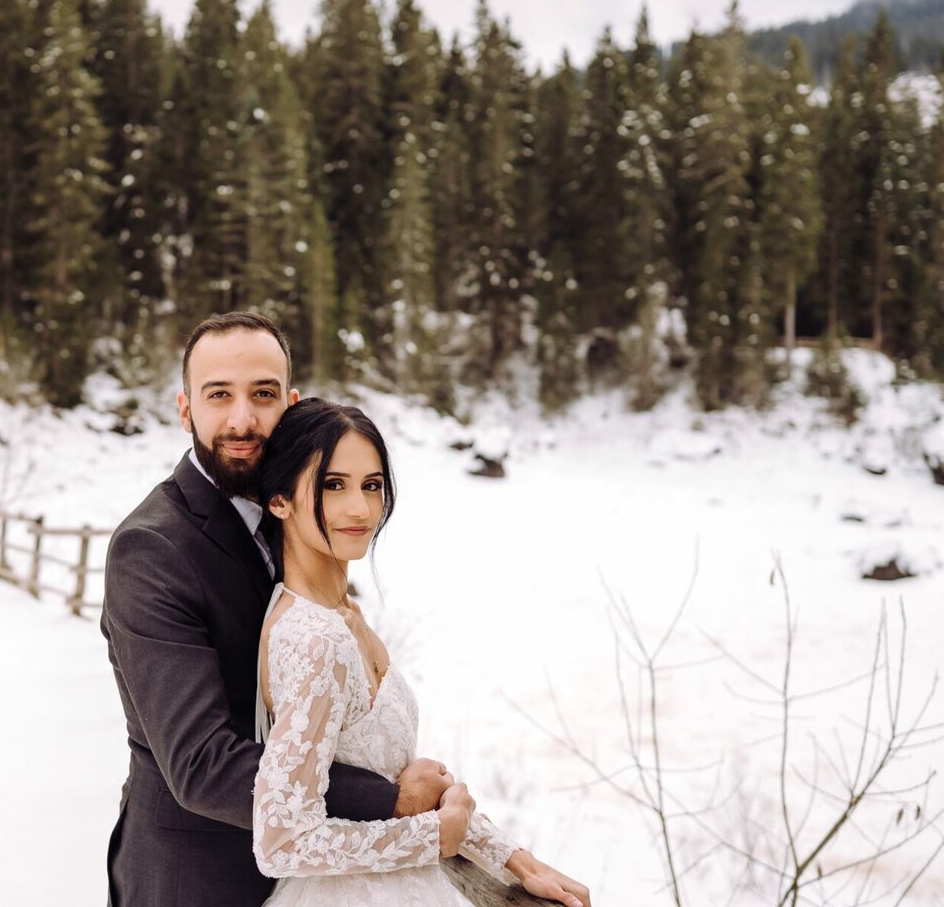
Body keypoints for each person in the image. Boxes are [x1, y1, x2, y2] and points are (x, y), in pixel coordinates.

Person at [101, 313, 453, 907]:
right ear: (185, 410)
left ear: (288, 406)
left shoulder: (300, 521)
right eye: (219, 396)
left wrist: (510, 855)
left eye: (262, 395)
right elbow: (202, 765)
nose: (242, 419)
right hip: (198, 881)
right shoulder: (153, 549)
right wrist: (390, 800)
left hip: (315, 879)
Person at [252, 398, 592, 907]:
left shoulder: (346, 617)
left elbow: (395, 781)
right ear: (279, 500)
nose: (360, 509)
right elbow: (281, 842)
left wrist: (518, 861)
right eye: (333, 485)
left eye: (371, 485)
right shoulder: (313, 638)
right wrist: (433, 837)